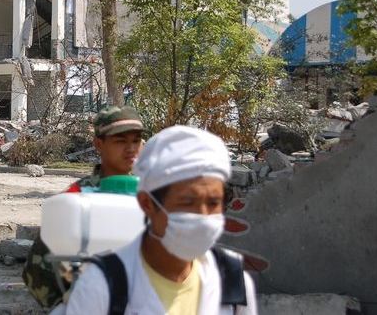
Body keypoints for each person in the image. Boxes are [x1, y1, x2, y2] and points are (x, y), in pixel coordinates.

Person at [65, 125, 257, 314]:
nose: (203, 216)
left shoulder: (232, 281)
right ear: (147, 204)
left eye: (214, 202)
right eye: (187, 202)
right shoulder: (101, 286)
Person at [23, 106, 145, 311]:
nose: (131, 148)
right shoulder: (76, 197)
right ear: (99, 144)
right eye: (120, 141)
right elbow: (37, 267)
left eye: (135, 141)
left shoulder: (152, 195)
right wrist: (66, 305)